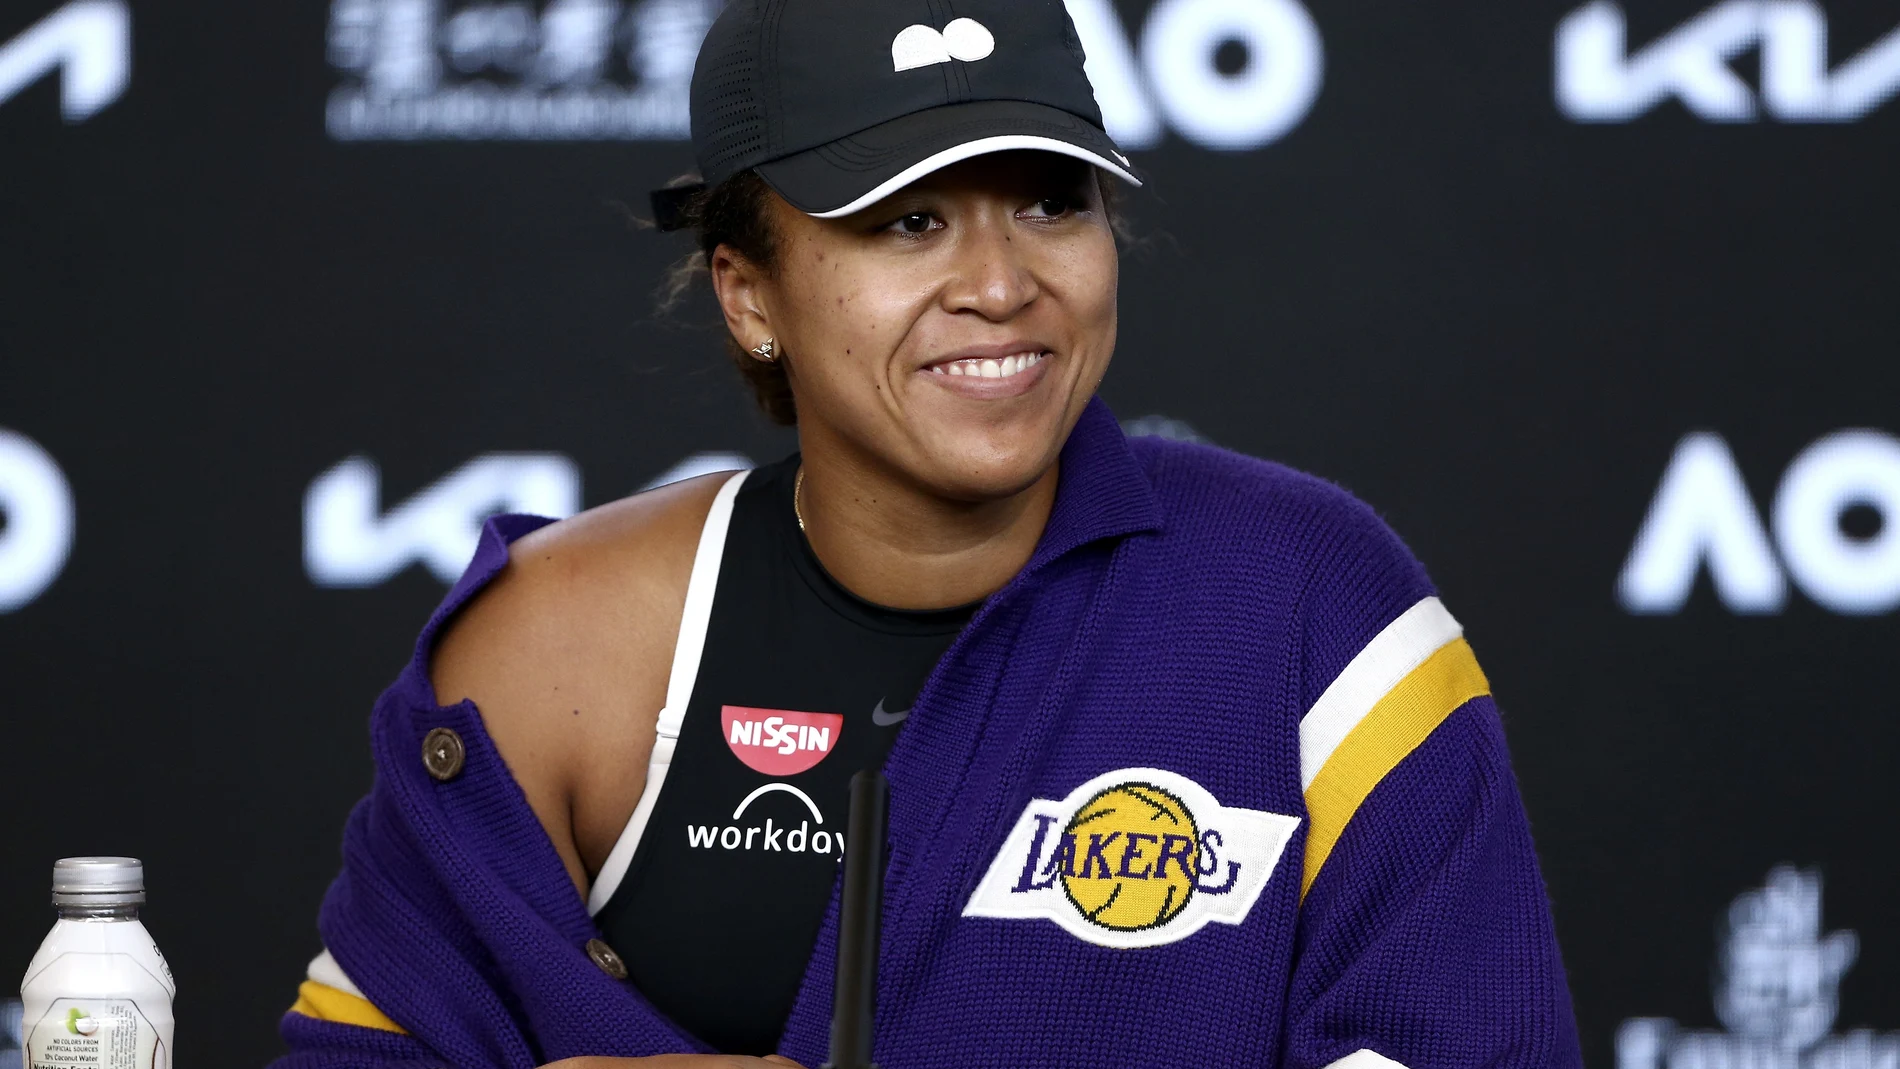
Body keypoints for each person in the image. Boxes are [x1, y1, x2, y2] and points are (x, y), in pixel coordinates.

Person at [277, 0, 1583, 1066]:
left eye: (1052, 203)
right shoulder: (556, 645)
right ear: (749, 295)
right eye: (908, 221)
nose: (1003, 285)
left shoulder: (1312, 605)